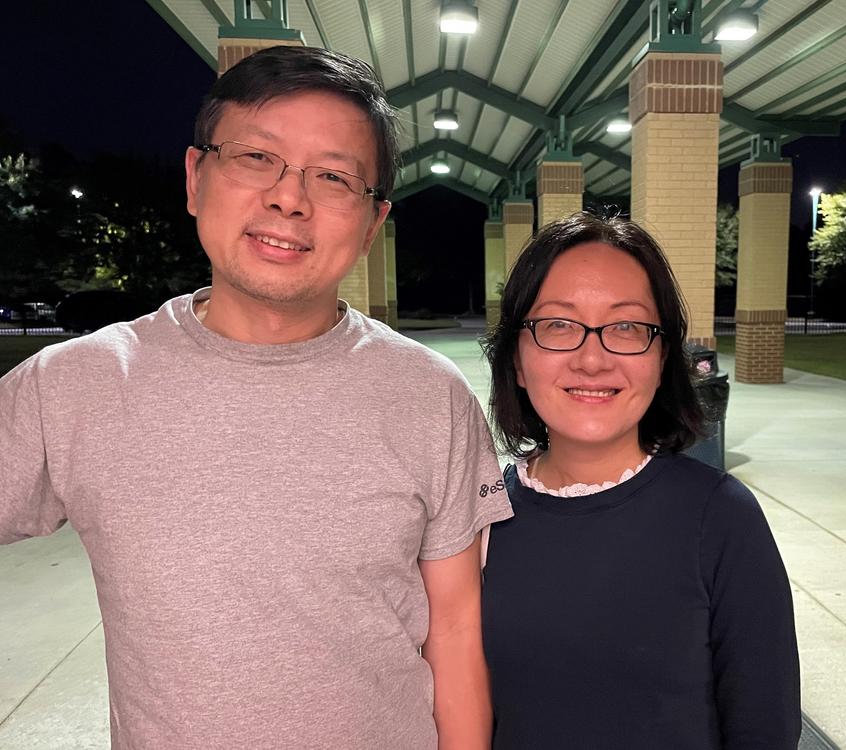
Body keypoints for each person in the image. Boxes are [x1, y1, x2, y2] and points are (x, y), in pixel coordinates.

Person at [0, 46, 511, 749]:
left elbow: (455, 631)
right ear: (194, 176)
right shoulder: (75, 384)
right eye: (256, 158)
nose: (288, 198)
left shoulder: (431, 396)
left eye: (334, 177)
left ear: (370, 224)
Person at [481, 212, 800, 749]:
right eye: (558, 324)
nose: (591, 358)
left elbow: (763, 724)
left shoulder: (718, 517)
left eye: (626, 327)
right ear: (516, 357)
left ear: (661, 357)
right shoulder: (480, 518)